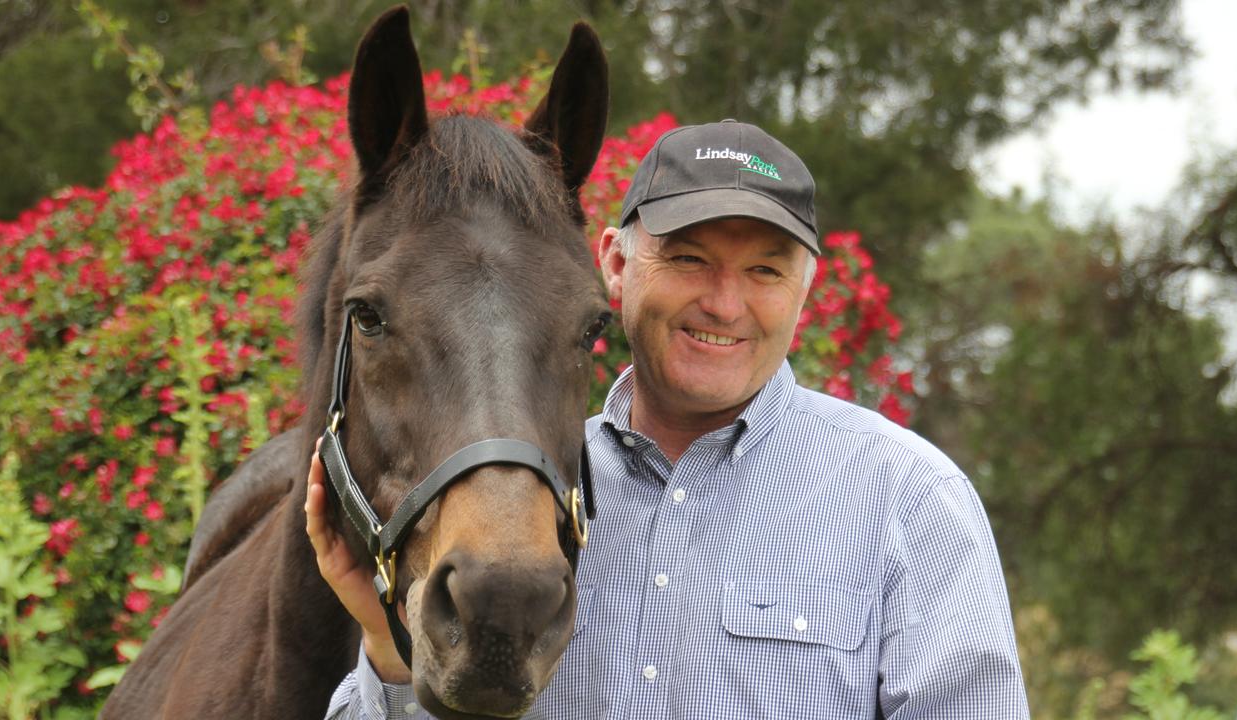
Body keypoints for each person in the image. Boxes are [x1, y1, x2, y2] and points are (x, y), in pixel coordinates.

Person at [310, 120, 1030, 719]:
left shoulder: (908, 500)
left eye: (764, 271)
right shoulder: (510, 507)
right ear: (616, 266)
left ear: (803, 294)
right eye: (688, 259)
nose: (723, 303)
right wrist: (384, 647)